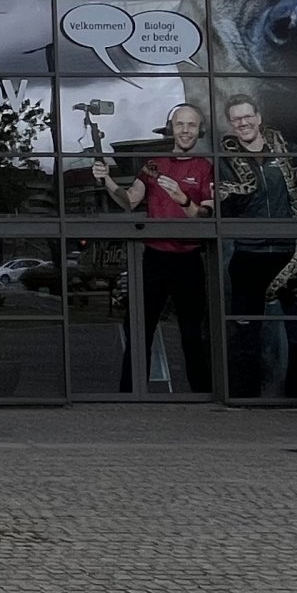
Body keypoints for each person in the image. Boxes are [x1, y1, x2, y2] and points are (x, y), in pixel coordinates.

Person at [91, 102, 213, 393]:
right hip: (154, 258)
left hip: (189, 259)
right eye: (180, 124)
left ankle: (202, 396)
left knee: (192, 333)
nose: (185, 130)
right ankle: (131, 395)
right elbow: (129, 200)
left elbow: (207, 215)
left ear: (199, 130)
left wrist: (183, 199)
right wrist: (106, 179)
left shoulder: (206, 166)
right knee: (137, 329)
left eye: (191, 125)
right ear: (170, 128)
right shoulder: (153, 164)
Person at [218, 95, 297, 398]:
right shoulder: (225, 158)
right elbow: (225, 205)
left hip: (291, 254)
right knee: (246, 335)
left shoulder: (283, 148)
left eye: (248, 116)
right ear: (231, 124)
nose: (243, 123)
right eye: (236, 119)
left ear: (258, 118)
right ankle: (245, 400)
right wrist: (226, 196)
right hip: (249, 256)